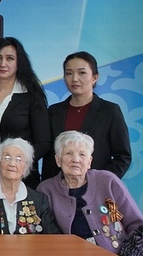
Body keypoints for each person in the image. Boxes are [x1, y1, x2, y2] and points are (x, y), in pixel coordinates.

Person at [38, 131, 143, 256]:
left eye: (82, 154)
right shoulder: (46, 190)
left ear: (89, 162)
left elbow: (138, 226)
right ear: (58, 160)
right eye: (68, 153)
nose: (75, 159)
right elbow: (48, 239)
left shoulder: (107, 181)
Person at [0, 37, 50, 189]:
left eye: (10, 58)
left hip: (20, 177)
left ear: (19, 63)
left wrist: (14, 166)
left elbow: (43, 142)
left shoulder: (32, 95)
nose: (3, 63)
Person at [42, 51, 131, 180]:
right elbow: (48, 156)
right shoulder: (53, 112)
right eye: (69, 73)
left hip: (95, 187)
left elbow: (123, 157)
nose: (74, 79)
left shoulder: (110, 111)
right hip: (57, 187)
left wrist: (100, 182)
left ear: (95, 77)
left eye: (82, 73)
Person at [0, 137, 59, 235]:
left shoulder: (39, 200)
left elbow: (51, 236)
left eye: (19, 159)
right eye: (7, 158)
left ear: (26, 166)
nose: (12, 164)